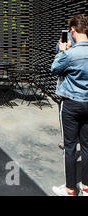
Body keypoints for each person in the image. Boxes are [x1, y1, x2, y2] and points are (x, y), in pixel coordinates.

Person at [50, 14, 88, 196]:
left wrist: (62, 51)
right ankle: (86, 187)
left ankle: (70, 189)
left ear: (73, 30)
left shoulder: (69, 54)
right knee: (87, 146)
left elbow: (54, 69)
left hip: (72, 105)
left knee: (70, 146)